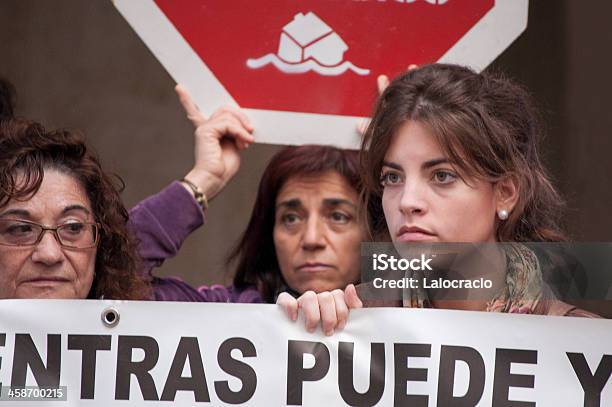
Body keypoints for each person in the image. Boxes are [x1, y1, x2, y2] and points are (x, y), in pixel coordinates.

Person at [279, 63, 599, 325]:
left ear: (505, 193)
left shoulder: (578, 347)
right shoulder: (355, 320)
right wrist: (310, 337)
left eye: (442, 176)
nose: (407, 202)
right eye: (392, 177)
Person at [130, 86, 366, 313]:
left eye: (338, 216)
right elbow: (108, 279)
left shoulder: (401, 305)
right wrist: (205, 178)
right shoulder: (232, 313)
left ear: (373, 231)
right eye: (291, 218)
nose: (311, 239)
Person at [0, 118, 150, 299]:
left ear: (101, 249)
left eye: (73, 227)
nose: (49, 254)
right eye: (21, 228)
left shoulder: (145, 323)